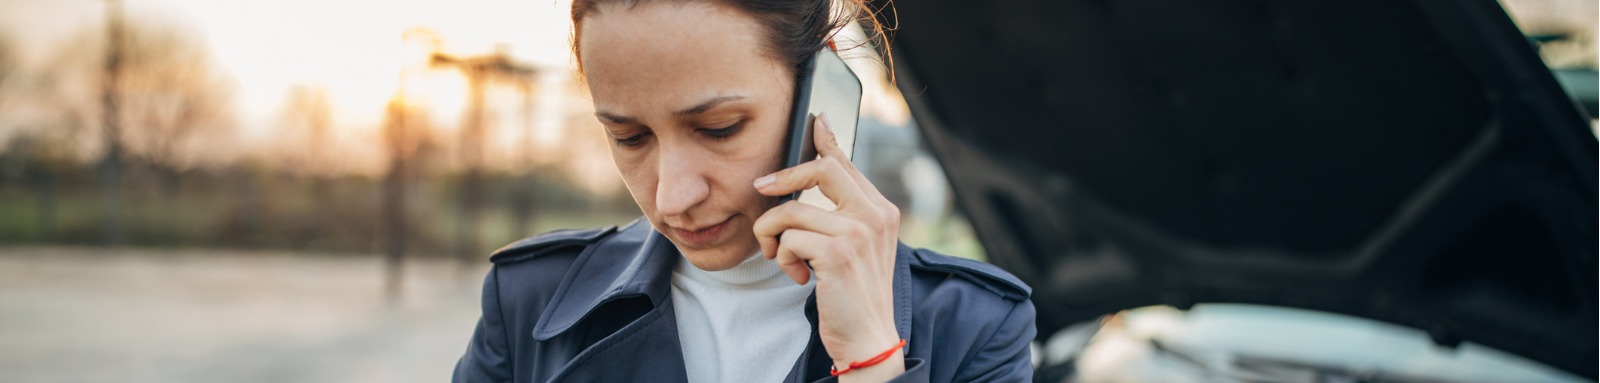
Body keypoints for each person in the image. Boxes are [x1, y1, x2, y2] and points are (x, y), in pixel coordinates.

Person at [452, 0, 1035, 381]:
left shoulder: (975, 326)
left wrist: (874, 362)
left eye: (718, 129)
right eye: (629, 137)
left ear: (821, 88)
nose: (673, 197)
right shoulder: (525, 300)